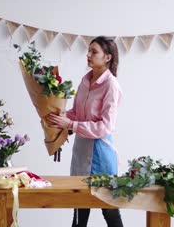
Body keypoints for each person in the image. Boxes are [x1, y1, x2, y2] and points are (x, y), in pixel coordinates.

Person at [47, 36, 123, 227]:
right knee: (79, 213)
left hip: (101, 156)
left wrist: (71, 124)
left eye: (94, 52)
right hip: (81, 151)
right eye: (88, 51)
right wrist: (57, 116)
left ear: (107, 57)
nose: (88, 55)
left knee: (110, 213)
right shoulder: (85, 81)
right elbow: (77, 113)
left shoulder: (111, 86)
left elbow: (105, 126)